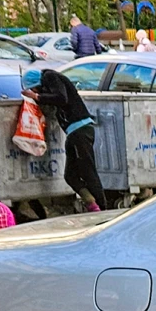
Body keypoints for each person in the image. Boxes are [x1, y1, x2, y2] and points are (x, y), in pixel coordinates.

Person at [22, 67, 106, 213]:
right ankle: (92, 204)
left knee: (88, 171)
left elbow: (61, 98)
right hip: (74, 133)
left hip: (80, 130)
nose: (35, 92)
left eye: (34, 89)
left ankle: (103, 209)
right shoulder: (50, 83)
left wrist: (37, 97)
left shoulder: (50, 77)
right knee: (70, 175)